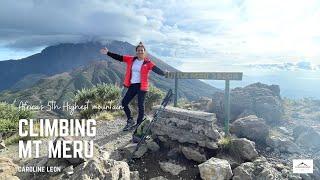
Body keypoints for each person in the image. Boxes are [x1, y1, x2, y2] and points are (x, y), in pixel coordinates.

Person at [100, 42, 167, 131]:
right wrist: (108, 53)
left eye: (142, 51)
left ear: (144, 52)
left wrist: (164, 73)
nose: (140, 52)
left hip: (142, 86)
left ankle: (139, 124)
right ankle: (130, 120)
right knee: (124, 102)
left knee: (140, 105)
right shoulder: (131, 59)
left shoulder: (148, 63)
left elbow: (156, 70)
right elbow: (119, 57)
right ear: (136, 52)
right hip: (132, 85)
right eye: (138, 51)